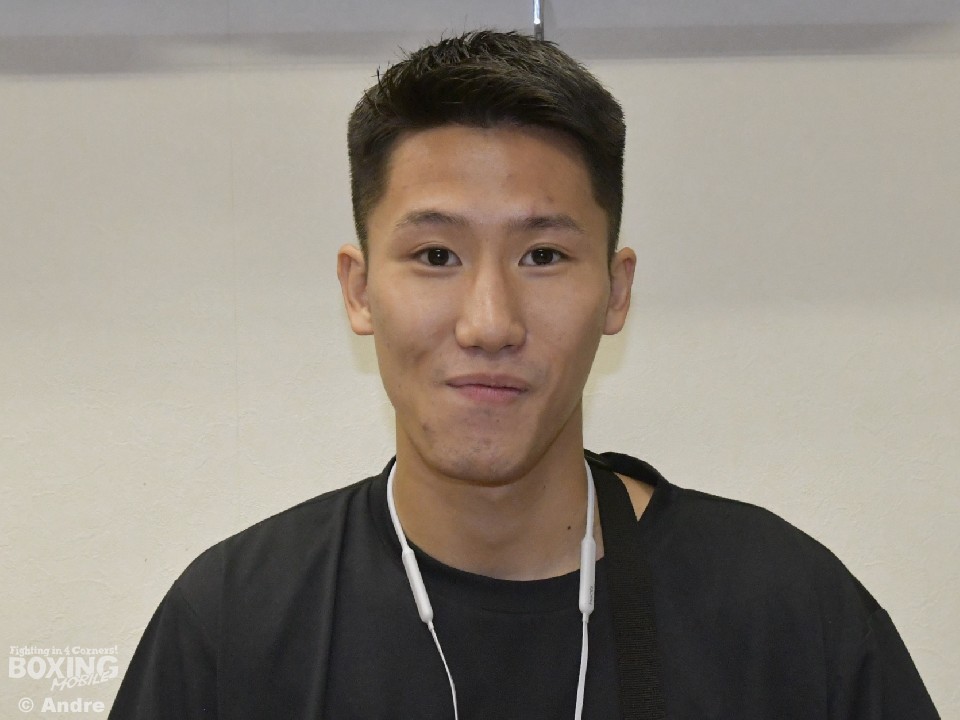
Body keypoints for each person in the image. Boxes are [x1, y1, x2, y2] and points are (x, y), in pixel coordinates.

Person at [108, 30, 939, 719]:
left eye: (542, 256)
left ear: (616, 291)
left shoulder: (786, 614)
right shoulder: (233, 628)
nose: (490, 323)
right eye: (436, 255)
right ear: (359, 292)